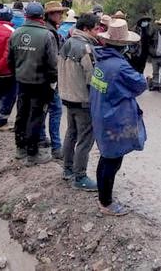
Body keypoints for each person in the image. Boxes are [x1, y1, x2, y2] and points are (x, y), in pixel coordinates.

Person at [90, 18, 147, 216]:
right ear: (124, 45)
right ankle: (106, 203)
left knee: (105, 157)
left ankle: (101, 195)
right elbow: (140, 85)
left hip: (101, 114)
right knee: (113, 160)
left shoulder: (101, 59)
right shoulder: (120, 66)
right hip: (114, 119)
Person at [8, 2, 58, 165]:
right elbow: (52, 64)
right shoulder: (46, 35)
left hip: (22, 81)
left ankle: (20, 148)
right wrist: (53, 82)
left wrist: (18, 74)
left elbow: (10, 59)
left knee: (22, 113)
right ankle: (32, 154)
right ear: (42, 16)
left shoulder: (16, 33)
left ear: (26, 15)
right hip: (40, 83)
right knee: (36, 117)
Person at [58, 13, 101, 191]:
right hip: (83, 100)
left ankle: (67, 169)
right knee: (85, 139)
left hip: (68, 97)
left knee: (71, 134)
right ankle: (80, 177)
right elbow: (92, 78)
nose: (99, 32)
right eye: (97, 28)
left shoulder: (67, 43)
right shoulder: (86, 48)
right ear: (86, 29)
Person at [39, 1, 69, 159]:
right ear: (50, 14)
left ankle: (41, 137)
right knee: (56, 110)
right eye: (58, 13)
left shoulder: (44, 29)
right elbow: (53, 60)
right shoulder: (51, 33)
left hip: (40, 78)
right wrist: (55, 80)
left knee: (44, 109)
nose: (61, 16)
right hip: (50, 79)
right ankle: (57, 147)